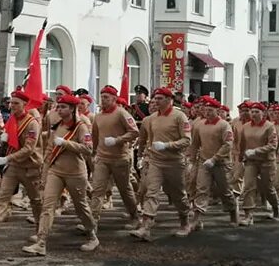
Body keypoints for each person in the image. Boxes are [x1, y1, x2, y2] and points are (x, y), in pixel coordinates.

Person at [22, 94, 98, 255]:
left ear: (72, 109)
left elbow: (88, 149)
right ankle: (41, 242)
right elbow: (49, 151)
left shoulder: (81, 127)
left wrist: (66, 143)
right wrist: (44, 175)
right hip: (56, 171)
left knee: (81, 207)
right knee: (47, 206)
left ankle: (92, 235)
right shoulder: (56, 126)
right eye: (59, 106)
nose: (59, 109)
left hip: (75, 172)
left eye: (63, 107)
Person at [0, 90, 42, 241]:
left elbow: (29, 149)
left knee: (35, 200)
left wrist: (6, 158)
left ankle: (40, 230)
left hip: (30, 166)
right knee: (2, 197)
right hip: (14, 166)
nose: (12, 106)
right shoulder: (12, 120)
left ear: (25, 105)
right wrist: (5, 142)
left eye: (16, 103)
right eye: (11, 102)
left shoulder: (32, 123)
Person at [132, 87, 192, 240]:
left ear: (169, 100)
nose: (155, 101)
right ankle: (146, 226)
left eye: (159, 98)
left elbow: (187, 140)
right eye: (154, 98)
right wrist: (140, 157)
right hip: (155, 161)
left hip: (174, 162)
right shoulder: (150, 119)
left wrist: (167, 145)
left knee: (178, 194)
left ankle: (185, 222)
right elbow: (145, 140)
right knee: (151, 192)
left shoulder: (180, 116)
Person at [89, 85, 141, 229]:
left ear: (114, 99)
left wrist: (118, 140)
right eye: (102, 97)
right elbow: (95, 136)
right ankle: (92, 221)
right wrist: (93, 152)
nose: (103, 100)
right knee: (98, 189)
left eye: (106, 97)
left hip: (120, 158)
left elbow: (134, 131)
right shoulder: (98, 116)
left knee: (125, 189)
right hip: (102, 158)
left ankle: (135, 217)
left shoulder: (121, 113)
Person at [188, 96, 238, 229]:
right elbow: (195, 144)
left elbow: (228, 145)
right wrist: (192, 160)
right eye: (206, 110)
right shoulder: (199, 124)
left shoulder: (224, 125)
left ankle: (233, 212)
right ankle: (196, 219)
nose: (207, 112)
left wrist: (215, 159)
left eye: (210, 110)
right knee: (201, 189)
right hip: (204, 162)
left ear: (217, 110)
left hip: (221, 163)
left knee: (225, 191)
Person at [240, 102, 279, 226]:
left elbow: (273, 145)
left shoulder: (269, 126)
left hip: (266, 161)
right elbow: (242, 143)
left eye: (257, 111)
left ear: (263, 113)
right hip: (251, 161)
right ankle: (248, 215)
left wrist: (256, 151)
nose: (254, 114)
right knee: (249, 187)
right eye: (252, 111)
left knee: (267, 188)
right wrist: (241, 156)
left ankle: (276, 208)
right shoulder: (246, 126)